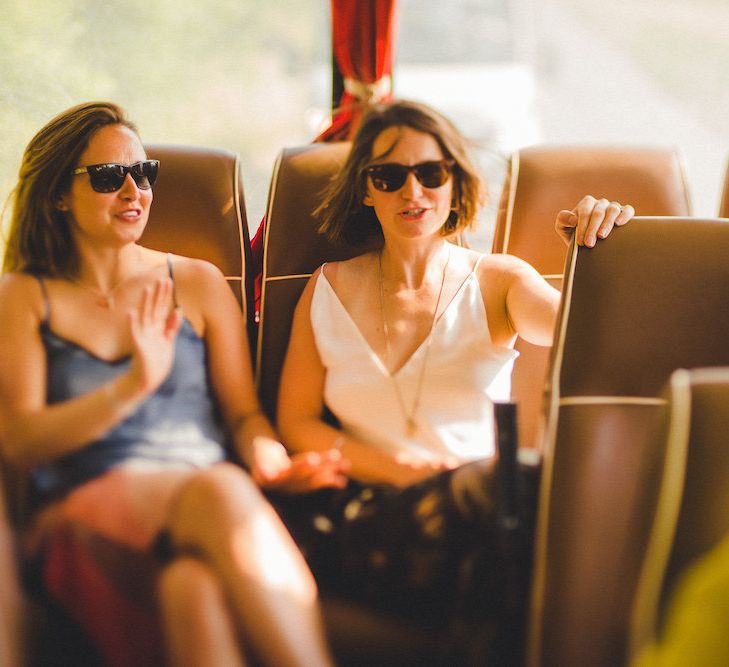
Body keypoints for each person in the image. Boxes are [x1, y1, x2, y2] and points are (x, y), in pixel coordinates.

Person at [276, 100, 634, 659]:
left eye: (429, 173)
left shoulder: (499, 282)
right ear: (366, 190)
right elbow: (296, 422)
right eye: (389, 176)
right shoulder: (326, 287)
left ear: (453, 181)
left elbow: (580, 329)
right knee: (513, 487)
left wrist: (593, 249)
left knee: (512, 501)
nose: (411, 192)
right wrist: (407, 469)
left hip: (485, 510)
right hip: (366, 515)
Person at [0, 101, 347, 667]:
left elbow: (242, 416)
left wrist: (273, 464)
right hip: (82, 515)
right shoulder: (24, 295)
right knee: (219, 488)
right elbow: (19, 442)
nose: (134, 191)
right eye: (111, 177)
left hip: (202, 513)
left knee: (193, 589)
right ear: (59, 194)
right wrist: (132, 385)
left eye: (144, 173)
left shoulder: (198, 282)